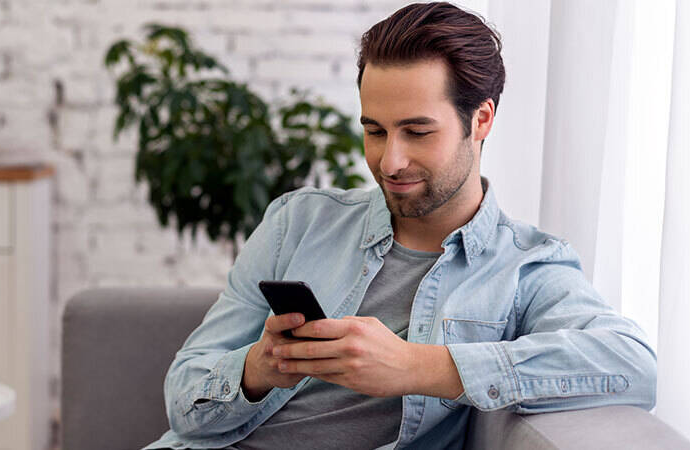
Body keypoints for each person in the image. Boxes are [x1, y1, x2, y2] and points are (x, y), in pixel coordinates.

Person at [144, 2, 657, 449]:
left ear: (481, 120)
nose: (390, 161)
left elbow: (631, 364)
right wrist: (257, 370)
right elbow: (182, 401)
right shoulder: (297, 222)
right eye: (374, 130)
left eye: (417, 131)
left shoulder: (526, 266)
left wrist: (417, 366)